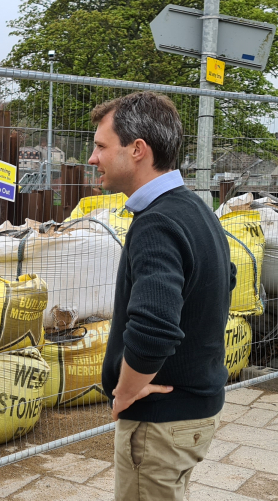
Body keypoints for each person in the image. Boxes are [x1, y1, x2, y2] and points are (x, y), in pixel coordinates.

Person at [87, 92, 236, 500]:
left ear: (137, 150)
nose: (92, 158)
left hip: (161, 423)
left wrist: (127, 391)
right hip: (195, 411)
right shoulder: (196, 208)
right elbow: (227, 278)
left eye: (101, 146)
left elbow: (154, 326)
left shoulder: (156, 222)